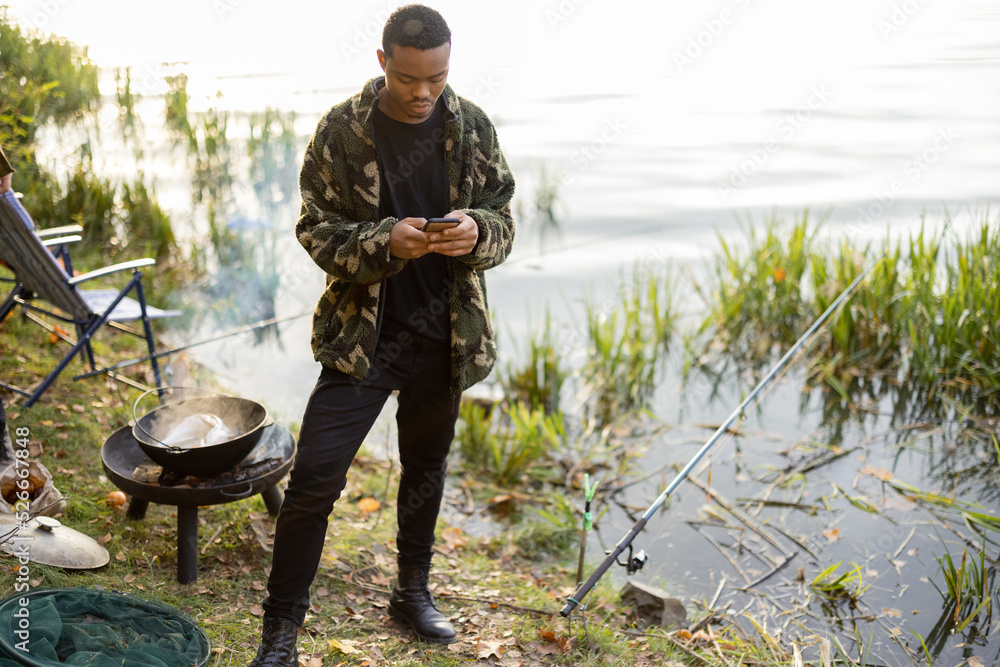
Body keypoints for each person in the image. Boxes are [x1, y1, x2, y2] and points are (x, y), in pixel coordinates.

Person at [248, 5, 516, 665]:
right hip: (360, 340)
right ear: (383, 63)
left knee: (425, 470)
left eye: (437, 78)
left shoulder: (472, 125)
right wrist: (381, 240)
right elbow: (313, 227)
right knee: (313, 479)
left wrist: (478, 232)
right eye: (410, 79)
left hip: (445, 337)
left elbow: (505, 216)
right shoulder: (341, 130)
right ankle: (280, 628)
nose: (424, 92)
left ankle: (411, 590)